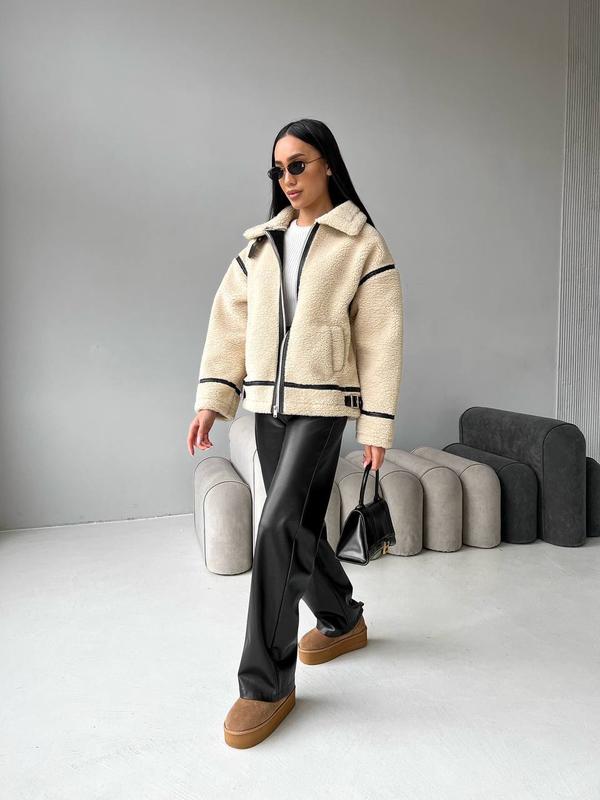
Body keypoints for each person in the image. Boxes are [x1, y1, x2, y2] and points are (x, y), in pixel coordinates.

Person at [186, 118, 404, 749]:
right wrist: (215, 399)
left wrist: (377, 422)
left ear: (328, 163)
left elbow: (381, 337)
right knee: (297, 524)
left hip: (324, 405)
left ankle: (266, 683)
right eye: (278, 169)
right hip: (266, 406)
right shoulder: (262, 245)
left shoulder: (361, 244)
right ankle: (343, 618)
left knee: (278, 527)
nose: (287, 178)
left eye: (299, 164)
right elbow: (229, 322)